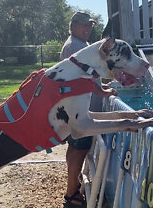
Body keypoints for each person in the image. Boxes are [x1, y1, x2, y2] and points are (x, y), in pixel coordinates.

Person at [60, 11, 117, 206]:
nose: (88, 28)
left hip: (76, 108)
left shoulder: (77, 44)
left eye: (90, 25)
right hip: (80, 110)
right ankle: (71, 194)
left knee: (75, 148)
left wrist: (101, 87)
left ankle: (72, 185)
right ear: (73, 25)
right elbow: (84, 77)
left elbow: (89, 75)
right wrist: (102, 93)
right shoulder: (75, 46)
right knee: (79, 150)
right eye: (84, 25)